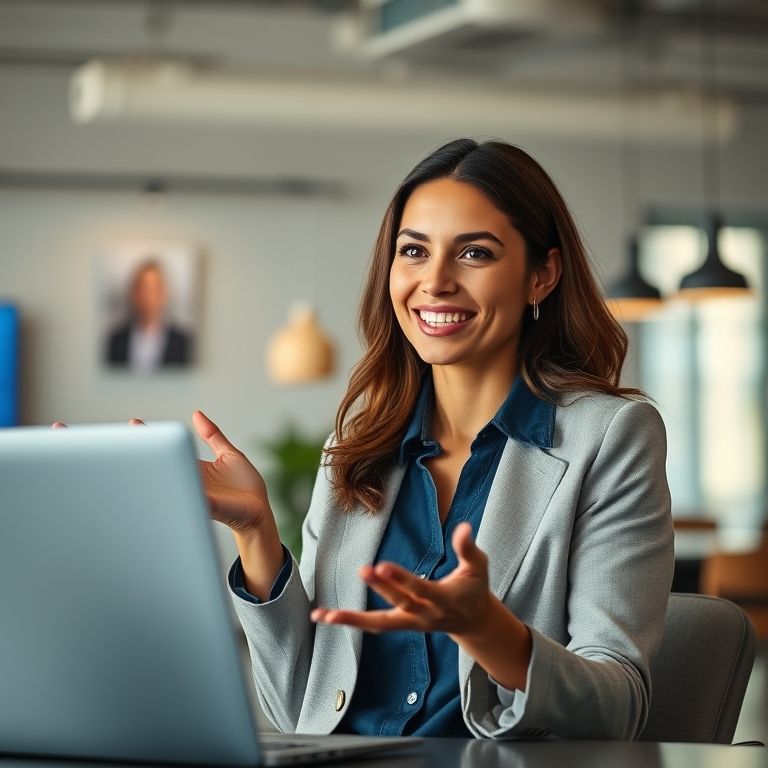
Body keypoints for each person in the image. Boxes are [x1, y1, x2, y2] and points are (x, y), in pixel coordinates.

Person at [191, 138, 674, 739]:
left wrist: (490, 631)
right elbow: (300, 713)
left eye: (474, 253)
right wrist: (256, 531)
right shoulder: (361, 440)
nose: (435, 281)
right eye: (413, 251)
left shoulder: (608, 437)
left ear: (541, 276)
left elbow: (618, 709)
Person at [105, 259, 192, 370]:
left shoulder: (183, 342)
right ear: (134, 293)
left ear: (164, 293)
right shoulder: (115, 340)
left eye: (155, 289)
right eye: (143, 289)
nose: (149, 297)